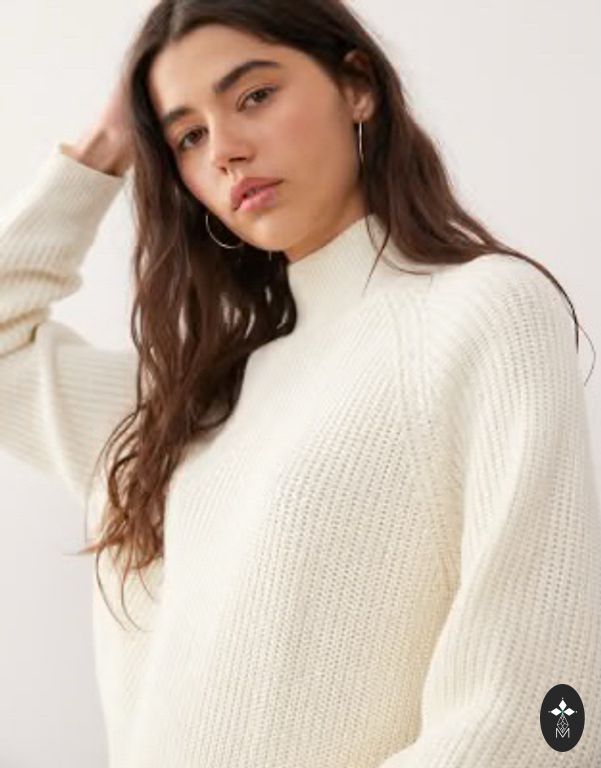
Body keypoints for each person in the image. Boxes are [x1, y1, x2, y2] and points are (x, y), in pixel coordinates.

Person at [1, 1, 599, 766]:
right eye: (188, 136)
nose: (225, 150)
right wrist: (110, 142)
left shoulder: (480, 316)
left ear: (357, 87)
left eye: (254, 95)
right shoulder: (184, 407)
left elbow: (530, 717)